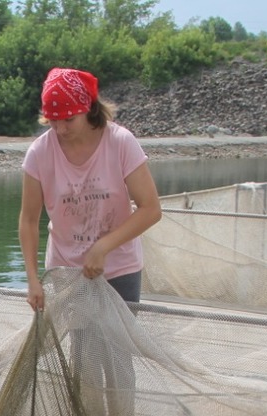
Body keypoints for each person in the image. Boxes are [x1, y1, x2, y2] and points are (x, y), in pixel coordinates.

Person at [19, 67, 162, 312]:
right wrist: (32, 279)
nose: (60, 129)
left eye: (69, 119)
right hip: (66, 270)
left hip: (119, 268)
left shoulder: (120, 142)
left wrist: (103, 247)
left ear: (88, 108)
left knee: (118, 339)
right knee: (78, 337)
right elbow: (29, 220)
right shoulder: (39, 153)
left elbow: (151, 209)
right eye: (53, 120)